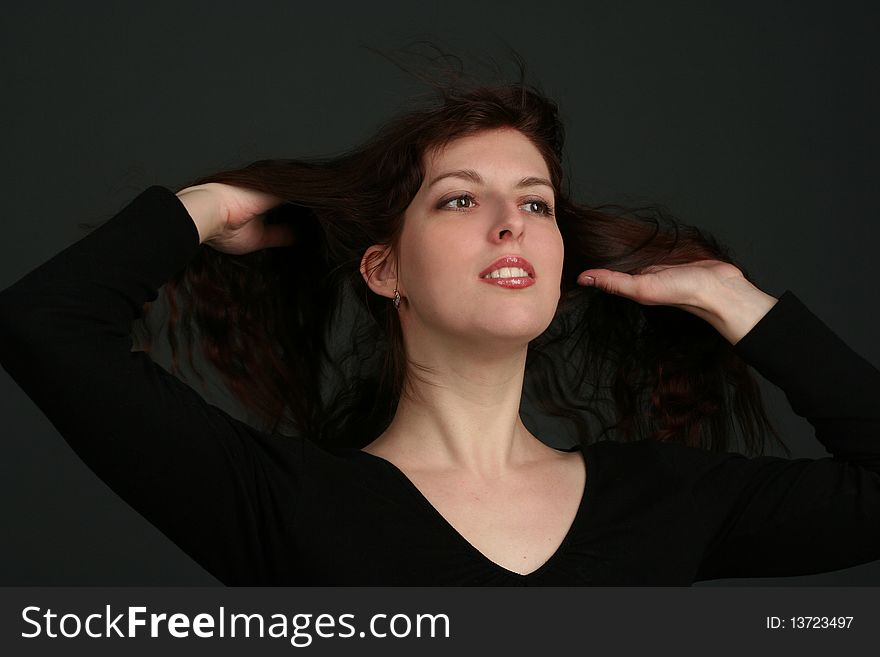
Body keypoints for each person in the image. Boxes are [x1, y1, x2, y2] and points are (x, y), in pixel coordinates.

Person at [1, 80, 878, 585]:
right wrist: (208, 206)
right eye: (460, 198)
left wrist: (741, 304)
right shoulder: (284, 504)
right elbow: (45, 324)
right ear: (384, 270)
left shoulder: (665, 499)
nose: (512, 223)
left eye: (535, 202)